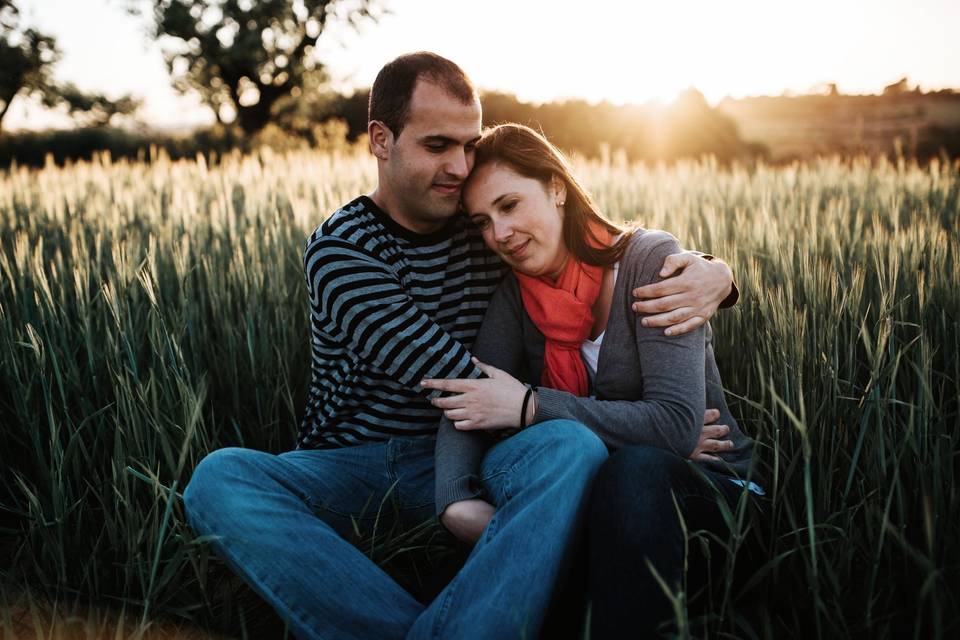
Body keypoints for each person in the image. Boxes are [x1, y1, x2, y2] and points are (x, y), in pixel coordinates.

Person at [182, 52, 737, 640]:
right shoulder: (343, 250)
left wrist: (714, 275)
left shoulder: (486, 231)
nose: (459, 166)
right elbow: (461, 380)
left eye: (469, 145)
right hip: (357, 467)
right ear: (381, 140)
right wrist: (635, 423)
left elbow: (597, 251)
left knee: (570, 446)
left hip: (484, 451)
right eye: (437, 145)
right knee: (221, 479)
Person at [422, 123, 764, 638]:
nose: (499, 235)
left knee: (636, 471)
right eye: (483, 222)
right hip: (614, 504)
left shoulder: (651, 262)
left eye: (509, 205)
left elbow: (673, 425)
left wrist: (529, 407)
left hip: (717, 492)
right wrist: (456, 501)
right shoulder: (518, 297)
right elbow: (467, 393)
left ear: (557, 187)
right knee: (594, 483)